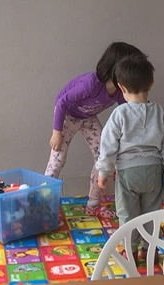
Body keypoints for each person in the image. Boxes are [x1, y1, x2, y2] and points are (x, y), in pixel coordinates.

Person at [46, 41, 144, 218]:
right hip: (67, 116)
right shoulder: (90, 84)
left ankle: (93, 205)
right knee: (57, 161)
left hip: (88, 118)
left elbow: (127, 113)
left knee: (104, 158)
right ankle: (44, 206)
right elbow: (62, 103)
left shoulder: (120, 91)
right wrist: (56, 132)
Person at [94, 53, 164, 229]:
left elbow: (108, 146)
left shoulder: (120, 113)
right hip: (154, 171)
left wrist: (103, 171)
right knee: (152, 214)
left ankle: (130, 244)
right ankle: (150, 243)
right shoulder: (160, 112)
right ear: (151, 83)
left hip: (128, 173)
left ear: (121, 87)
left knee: (127, 214)